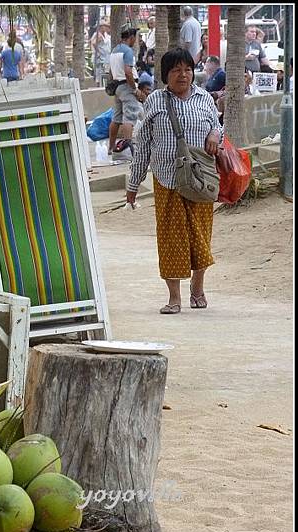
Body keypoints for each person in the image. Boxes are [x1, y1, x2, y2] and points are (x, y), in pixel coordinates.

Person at [126, 47, 223, 314]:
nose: (183, 75)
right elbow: (143, 145)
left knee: (200, 235)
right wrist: (133, 185)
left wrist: (215, 134)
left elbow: (217, 127)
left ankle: (198, 288)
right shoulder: (155, 101)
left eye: (187, 69)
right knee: (170, 237)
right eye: (176, 70)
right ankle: (174, 297)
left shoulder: (204, 98)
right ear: (165, 75)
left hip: (200, 179)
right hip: (167, 179)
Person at [108, 24, 144, 154]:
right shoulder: (128, 51)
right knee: (130, 116)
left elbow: (110, 72)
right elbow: (128, 72)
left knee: (116, 118)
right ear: (131, 37)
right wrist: (134, 89)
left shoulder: (115, 50)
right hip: (127, 86)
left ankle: (111, 148)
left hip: (117, 86)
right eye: (135, 37)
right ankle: (127, 150)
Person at [91, 19, 111, 86]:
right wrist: (99, 52)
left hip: (105, 57)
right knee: (99, 74)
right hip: (100, 58)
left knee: (103, 73)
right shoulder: (99, 35)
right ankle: (99, 87)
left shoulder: (104, 35)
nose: (106, 27)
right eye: (104, 26)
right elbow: (94, 43)